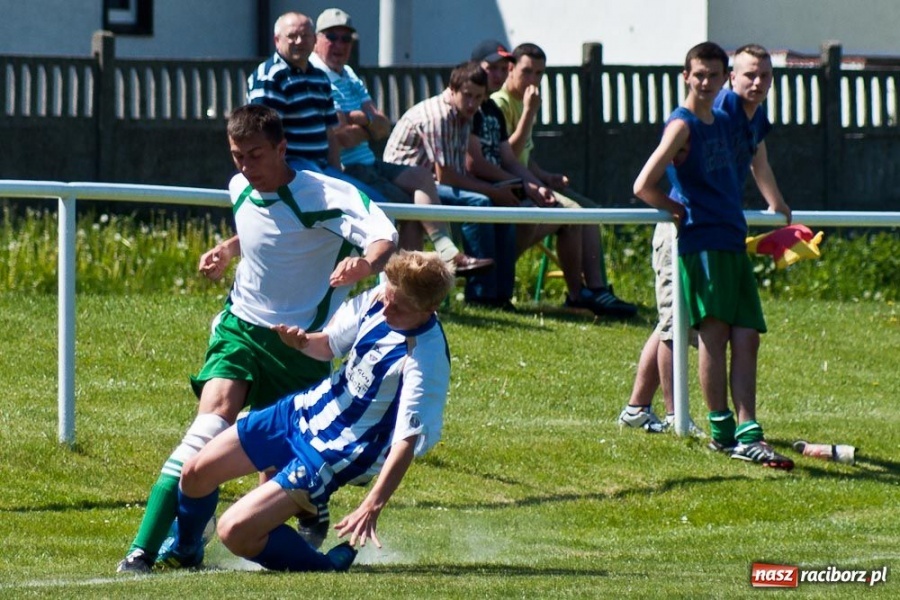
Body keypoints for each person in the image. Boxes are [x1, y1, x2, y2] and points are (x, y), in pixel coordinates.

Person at [116, 104, 398, 573]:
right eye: (237, 156)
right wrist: (228, 250)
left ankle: (310, 513)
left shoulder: (326, 193)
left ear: (282, 148)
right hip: (241, 329)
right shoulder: (239, 186)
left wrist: (365, 264)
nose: (246, 167)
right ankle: (154, 550)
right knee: (206, 431)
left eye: (256, 155)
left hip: (300, 345)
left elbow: (385, 235)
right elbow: (264, 230)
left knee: (276, 477)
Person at [155, 250, 455, 573]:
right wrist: (302, 343)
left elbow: (407, 440)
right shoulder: (380, 297)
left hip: (334, 453)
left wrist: (373, 504)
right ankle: (186, 550)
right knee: (195, 473)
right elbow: (329, 344)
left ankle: (325, 565)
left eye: (399, 307)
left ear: (429, 309)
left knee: (234, 531)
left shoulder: (426, 357)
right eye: (388, 298)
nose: (386, 309)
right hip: (304, 411)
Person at [631, 41, 793, 469]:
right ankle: (712, 427)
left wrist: (777, 203)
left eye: (713, 75)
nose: (707, 83)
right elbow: (644, 184)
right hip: (699, 239)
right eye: (700, 75)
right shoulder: (685, 122)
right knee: (699, 330)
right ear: (688, 76)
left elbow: (755, 159)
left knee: (747, 334)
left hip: (731, 235)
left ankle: (747, 429)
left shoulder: (726, 120)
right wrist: (675, 208)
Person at [308, 8, 492, 276]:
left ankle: (443, 258)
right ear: (316, 39)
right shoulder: (317, 75)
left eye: (346, 38)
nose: (340, 44)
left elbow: (383, 125)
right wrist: (368, 124)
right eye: (332, 37)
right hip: (347, 170)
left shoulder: (347, 73)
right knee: (413, 209)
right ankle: (407, 283)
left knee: (422, 180)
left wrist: (360, 120)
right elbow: (341, 136)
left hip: (371, 162)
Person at [467, 40, 636, 319]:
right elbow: (504, 157)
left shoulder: (505, 105)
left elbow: (522, 158)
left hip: (520, 182)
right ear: (513, 70)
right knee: (572, 215)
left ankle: (593, 290)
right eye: (526, 71)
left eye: (539, 73)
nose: (532, 79)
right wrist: (529, 114)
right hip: (504, 186)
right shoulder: (499, 103)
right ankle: (577, 292)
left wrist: (544, 177)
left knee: (589, 212)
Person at [384, 61, 519, 311]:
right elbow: (446, 176)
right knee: (480, 202)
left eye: (478, 97)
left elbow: (456, 172)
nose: (472, 103)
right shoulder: (439, 115)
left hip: (430, 185)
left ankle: (501, 294)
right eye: (467, 95)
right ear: (452, 89)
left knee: (497, 206)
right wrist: (492, 190)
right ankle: (480, 294)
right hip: (406, 187)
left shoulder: (466, 115)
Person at [246, 11, 382, 199]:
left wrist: (337, 175)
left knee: (372, 202)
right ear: (277, 40)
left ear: (314, 40)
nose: (299, 41)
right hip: (290, 168)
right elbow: (263, 134)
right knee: (355, 203)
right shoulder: (270, 76)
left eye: (305, 36)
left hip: (321, 167)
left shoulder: (319, 77)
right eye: (292, 36)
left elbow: (329, 133)